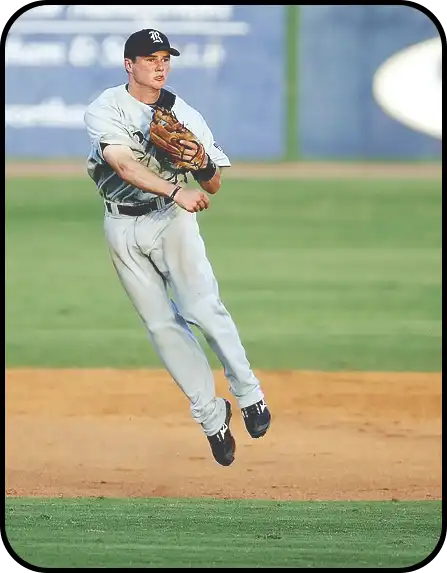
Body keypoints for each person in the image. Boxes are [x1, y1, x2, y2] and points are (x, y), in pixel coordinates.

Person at [83, 29, 271, 466]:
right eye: (150, 58)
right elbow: (123, 164)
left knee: (202, 308)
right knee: (162, 327)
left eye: (165, 57)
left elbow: (214, 183)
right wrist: (175, 189)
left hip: (172, 223)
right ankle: (211, 417)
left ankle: (249, 393)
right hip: (121, 223)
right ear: (129, 65)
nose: (160, 65)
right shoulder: (106, 108)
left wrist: (202, 165)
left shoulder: (184, 113)